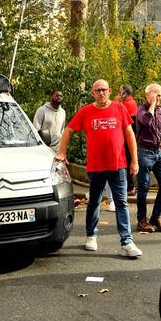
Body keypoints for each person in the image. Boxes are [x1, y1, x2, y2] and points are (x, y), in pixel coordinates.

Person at [55, 79, 142, 258]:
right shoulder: (85, 111)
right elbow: (68, 130)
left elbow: (130, 134)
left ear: (110, 91)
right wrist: (62, 152)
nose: (101, 93)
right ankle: (91, 235)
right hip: (96, 166)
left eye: (104, 89)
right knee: (94, 202)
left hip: (118, 165)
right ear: (92, 93)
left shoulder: (119, 108)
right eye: (97, 90)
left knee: (121, 203)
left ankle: (127, 242)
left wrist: (134, 160)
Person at [134, 83, 161, 233]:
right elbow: (146, 121)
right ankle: (141, 220)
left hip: (157, 151)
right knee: (143, 187)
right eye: (155, 95)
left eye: (160, 95)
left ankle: (156, 217)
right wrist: (152, 105)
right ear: (147, 95)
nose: (158, 98)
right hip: (144, 151)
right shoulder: (141, 110)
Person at [116, 85, 139, 196]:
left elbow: (118, 116)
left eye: (120, 92)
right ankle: (129, 186)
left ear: (125, 93)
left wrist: (117, 102)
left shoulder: (127, 104)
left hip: (127, 138)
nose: (119, 94)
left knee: (127, 160)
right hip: (128, 136)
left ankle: (130, 187)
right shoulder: (130, 102)